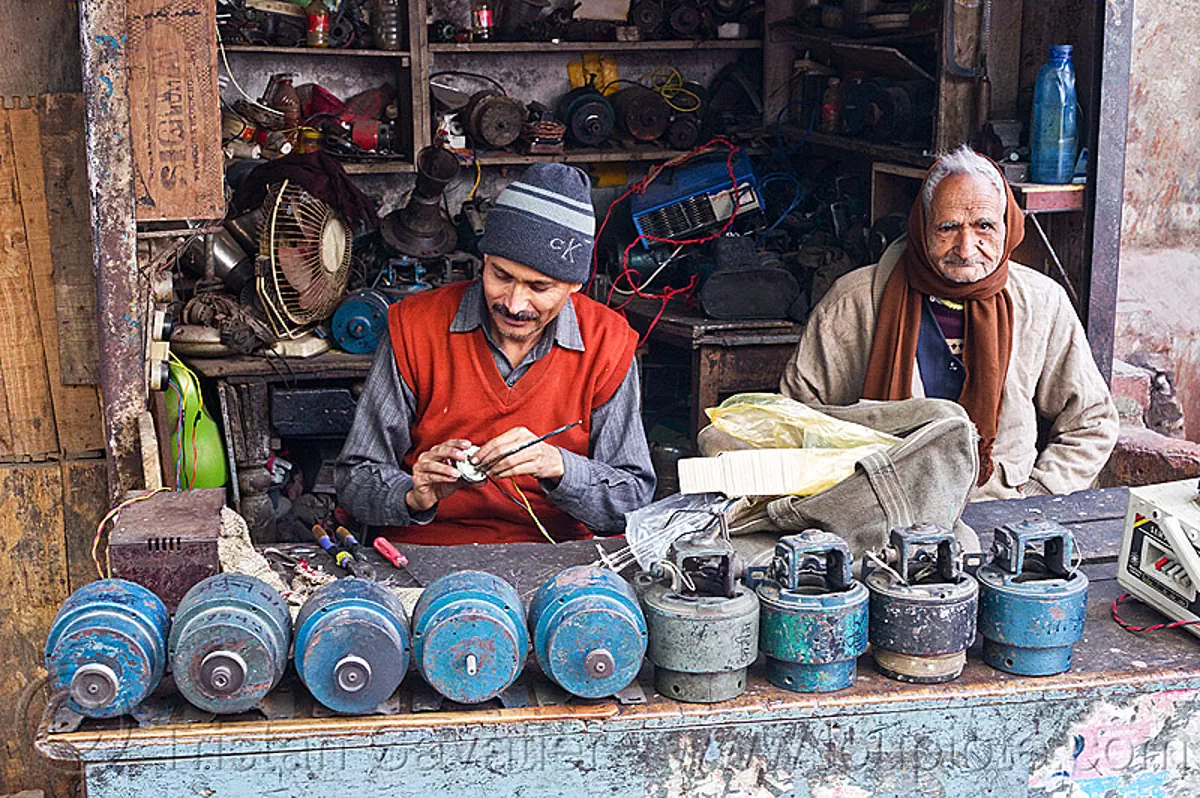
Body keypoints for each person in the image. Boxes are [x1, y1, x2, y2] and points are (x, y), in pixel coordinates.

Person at [336, 163, 656, 543]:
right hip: (424, 553)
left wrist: (559, 467)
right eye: (501, 276)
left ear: (574, 284)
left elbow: (633, 501)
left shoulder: (608, 342)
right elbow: (355, 480)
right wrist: (411, 495)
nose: (515, 303)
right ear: (484, 261)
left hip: (556, 557)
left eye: (539, 287)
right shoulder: (414, 327)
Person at [780, 144, 1118, 500]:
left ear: (1009, 226)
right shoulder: (855, 300)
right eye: (948, 227)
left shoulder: (1042, 302)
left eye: (984, 226)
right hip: (880, 509)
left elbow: (1091, 421)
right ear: (921, 228)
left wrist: (1037, 492)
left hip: (997, 507)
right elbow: (794, 415)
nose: (967, 247)